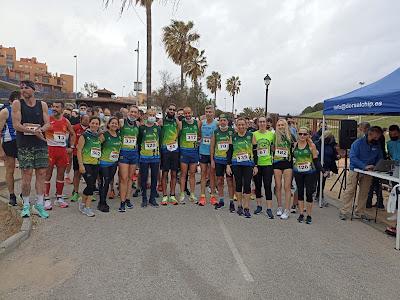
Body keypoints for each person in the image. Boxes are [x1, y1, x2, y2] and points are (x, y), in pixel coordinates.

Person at [12, 80, 50, 218]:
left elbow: (48, 124)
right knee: (26, 175)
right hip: (25, 145)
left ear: (34, 89)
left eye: (26, 88)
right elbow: (16, 125)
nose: (23, 90)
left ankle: (39, 204)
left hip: (40, 145)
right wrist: (33, 131)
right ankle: (26, 204)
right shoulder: (17, 104)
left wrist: (41, 129)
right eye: (21, 88)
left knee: (41, 174)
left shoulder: (42, 105)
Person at [339, 126, 383, 220]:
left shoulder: (377, 144)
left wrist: (377, 166)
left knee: (364, 192)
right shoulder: (357, 143)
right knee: (350, 190)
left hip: (369, 172)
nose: (377, 139)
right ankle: (344, 211)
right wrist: (364, 166)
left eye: (378, 137)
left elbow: (380, 157)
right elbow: (353, 157)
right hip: (356, 169)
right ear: (369, 134)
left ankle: (359, 212)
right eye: (375, 137)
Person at [44, 101, 76, 210]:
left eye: (57, 107)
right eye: (53, 106)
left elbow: (72, 133)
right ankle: (46, 198)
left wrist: (71, 147)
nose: (54, 108)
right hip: (50, 150)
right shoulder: (48, 119)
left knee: (61, 174)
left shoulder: (65, 121)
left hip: (62, 151)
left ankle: (59, 197)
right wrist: (44, 142)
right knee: (47, 174)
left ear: (62, 109)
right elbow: (39, 131)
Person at [226, 118, 258, 218]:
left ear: (246, 125)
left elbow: (255, 152)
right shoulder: (233, 137)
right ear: (236, 125)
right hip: (236, 164)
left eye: (243, 125)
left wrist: (256, 165)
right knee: (238, 185)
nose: (241, 126)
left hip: (248, 164)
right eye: (239, 125)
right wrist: (228, 165)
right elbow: (229, 152)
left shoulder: (251, 136)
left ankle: (246, 207)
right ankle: (239, 206)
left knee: (247, 185)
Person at [293, 127, 320, 224]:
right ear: (298, 134)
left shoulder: (312, 145)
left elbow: (316, 160)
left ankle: (309, 215)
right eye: (300, 134)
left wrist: (322, 170)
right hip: (298, 172)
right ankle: (301, 214)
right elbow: (293, 158)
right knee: (300, 192)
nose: (302, 136)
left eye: (304, 134)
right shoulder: (295, 144)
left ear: (308, 135)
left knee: (309, 193)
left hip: (310, 173)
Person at [77, 116, 102, 217]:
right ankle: (87, 207)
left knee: (91, 185)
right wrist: (81, 165)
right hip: (86, 163)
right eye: (93, 123)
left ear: (99, 125)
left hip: (95, 164)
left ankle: (82, 202)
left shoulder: (99, 136)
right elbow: (79, 150)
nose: (94, 125)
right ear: (89, 123)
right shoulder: (84, 135)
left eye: (96, 124)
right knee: (91, 185)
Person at [210, 114, 235, 211]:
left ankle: (232, 202)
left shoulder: (232, 131)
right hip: (218, 160)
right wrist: (212, 160)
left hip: (229, 161)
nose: (223, 122)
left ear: (227, 122)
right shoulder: (215, 132)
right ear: (219, 122)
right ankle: (221, 200)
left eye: (224, 120)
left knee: (230, 181)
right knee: (219, 181)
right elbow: (212, 146)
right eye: (221, 120)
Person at [0, 91, 20, 206]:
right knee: (10, 169)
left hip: (22, 142)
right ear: (10, 102)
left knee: (26, 170)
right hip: (9, 143)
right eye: (15, 101)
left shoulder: (23, 110)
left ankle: (23, 194)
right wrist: (1, 150)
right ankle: (12, 195)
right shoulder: (5, 111)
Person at [138, 108, 161, 207]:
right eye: (149, 115)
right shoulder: (142, 128)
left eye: (153, 115)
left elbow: (159, 140)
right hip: (144, 156)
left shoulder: (158, 128)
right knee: (144, 178)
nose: (151, 116)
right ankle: (144, 198)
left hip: (155, 157)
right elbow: (139, 141)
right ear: (146, 116)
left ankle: (152, 198)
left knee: (154, 177)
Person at [118, 105, 140, 212]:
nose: (133, 114)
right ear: (128, 113)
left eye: (135, 112)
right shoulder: (122, 122)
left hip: (134, 153)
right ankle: (122, 202)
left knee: (131, 178)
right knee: (124, 178)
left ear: (138, 114)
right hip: (124, 153)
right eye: (131, 112)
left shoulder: (138, 124)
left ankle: (127, 199)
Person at [253, 116, 275, 218]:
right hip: (258, 164)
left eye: (263, 122)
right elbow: (253, 150)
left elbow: (274, 147)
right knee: (258, 186)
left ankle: (269, 208)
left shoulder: (271, 135)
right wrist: (255, 165)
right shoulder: (254, 134)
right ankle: (259, 206)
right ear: (258, 123)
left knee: (267, 185)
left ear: (266, 123)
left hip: (268, 164)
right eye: (260, 122)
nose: (262, 123)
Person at [98, 117, 121, 212]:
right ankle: (102, 202)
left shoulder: (119, 135)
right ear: (108, 124)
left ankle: (102, 200)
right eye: (112, 123)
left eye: (116, 123)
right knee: (105, 181)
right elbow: (97, 145)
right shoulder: (104, 135)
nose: (114, 125)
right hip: (104, 162)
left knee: (109, 180)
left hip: (114, 162)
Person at [178, 107, 201, 204]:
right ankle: (182, 193)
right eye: (185, 113)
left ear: (192, 113)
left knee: (192, 174)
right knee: (183, 174)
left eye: (189, 113)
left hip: (194, 152)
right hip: (184, 152)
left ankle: (192, 194)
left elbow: (201, 134)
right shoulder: (181, 123)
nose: (187, 115)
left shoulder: (197, 123)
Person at [273, 119, 294, 220]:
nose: (280, 126)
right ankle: (279, 207)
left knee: (287, 187)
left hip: (287, 163)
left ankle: (287, 209)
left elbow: (296, 145)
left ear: (285, 125)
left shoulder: (290, 135)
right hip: (277, 162)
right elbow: (272, 148)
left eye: (282, 125)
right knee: (278, 186)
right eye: (279, 125)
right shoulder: (274, 136)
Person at [198, 105, 218, 206]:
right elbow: (198, 135)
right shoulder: (202, 123)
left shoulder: (217, 124)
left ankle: (213, 196)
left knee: (212, 175)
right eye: (207, 112)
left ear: (213, 113)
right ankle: (202, 196)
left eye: (210, 112)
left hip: (213, 153)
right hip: (203, 152)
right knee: (203, 174)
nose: (208, 113)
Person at [160, 103, 179, 206]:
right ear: (167, 110)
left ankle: (172, 194)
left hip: (175, 150)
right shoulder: (163, 121)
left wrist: (176, 119)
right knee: (165, 173)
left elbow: (180, 128)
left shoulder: (176, 122)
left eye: (173, 110)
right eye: (170, 109)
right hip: (165, 150)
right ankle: (164, 195)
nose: (172, 111)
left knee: (174, 173)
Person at [315, 130, 339, 206]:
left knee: (322, 182)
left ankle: (319, 196)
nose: (330, 139)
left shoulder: (331, 145)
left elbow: (333, 155)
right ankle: (318, 195)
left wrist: (337, 157)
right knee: (317, 181)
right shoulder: (317, 144)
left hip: (327, 167)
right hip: (318, 166)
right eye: (329, 137)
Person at [71, 114, 90, 202]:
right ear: (81, 120)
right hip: (76, 154)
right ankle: (75, 192)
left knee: (89, 175)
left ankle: (89, 193)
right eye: (84, 119)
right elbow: (70, 137)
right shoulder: (75, 127)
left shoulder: (92, 128)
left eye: (88, 119)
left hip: (88, 156)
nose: (86, 121)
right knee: (77, 174)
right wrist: (70, 147)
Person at [366, 126, 387, 209]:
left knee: (372, 185)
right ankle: (378, 202)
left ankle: (369, 203)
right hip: (377, 164)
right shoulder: (378, 139)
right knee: (375, 185)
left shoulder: (377, 141)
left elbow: (380, 153)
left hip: (376, 164)